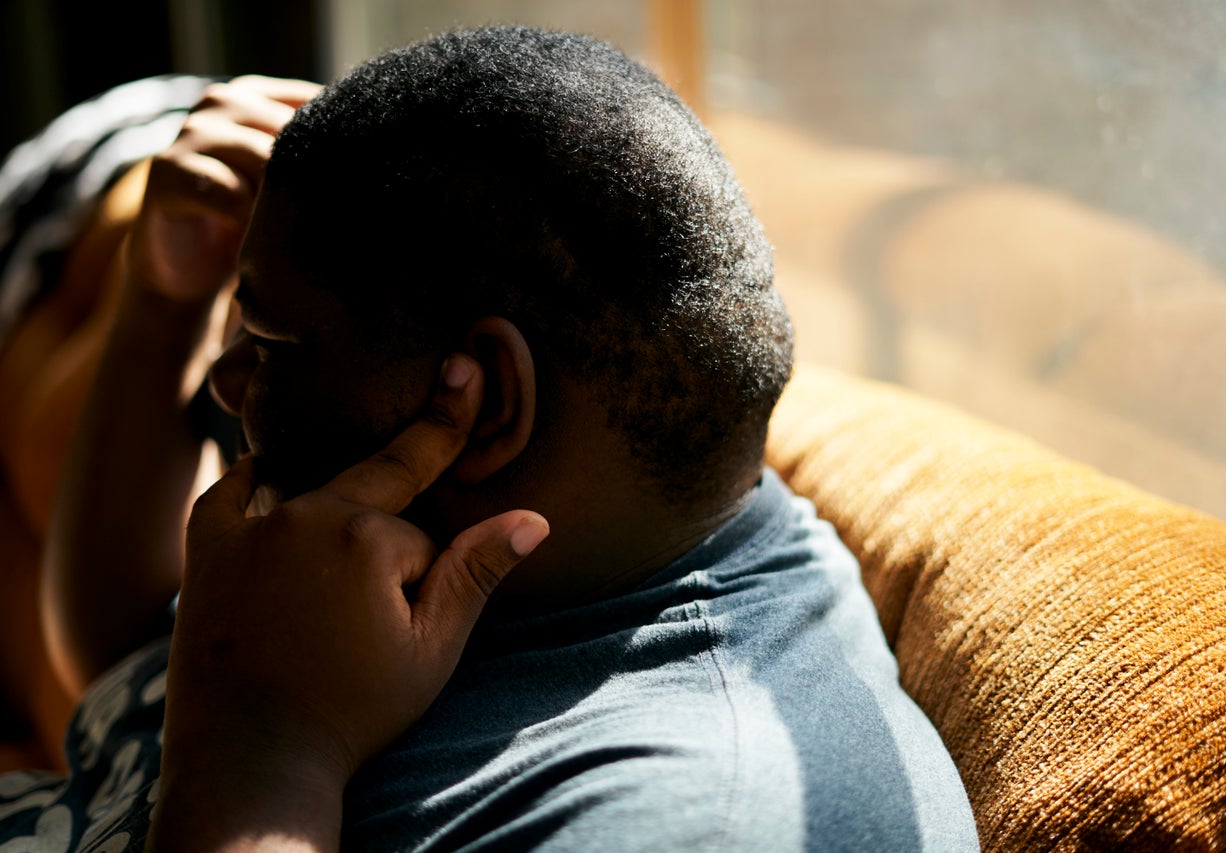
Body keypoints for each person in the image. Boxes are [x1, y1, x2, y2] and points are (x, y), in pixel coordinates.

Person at [0, 26, 978, 851]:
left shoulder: (693, 818)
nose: (229, 381)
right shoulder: (495, 562)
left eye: (269, 340)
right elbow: (124, 686)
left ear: (486, 401)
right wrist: (156, 310)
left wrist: (267, 753)